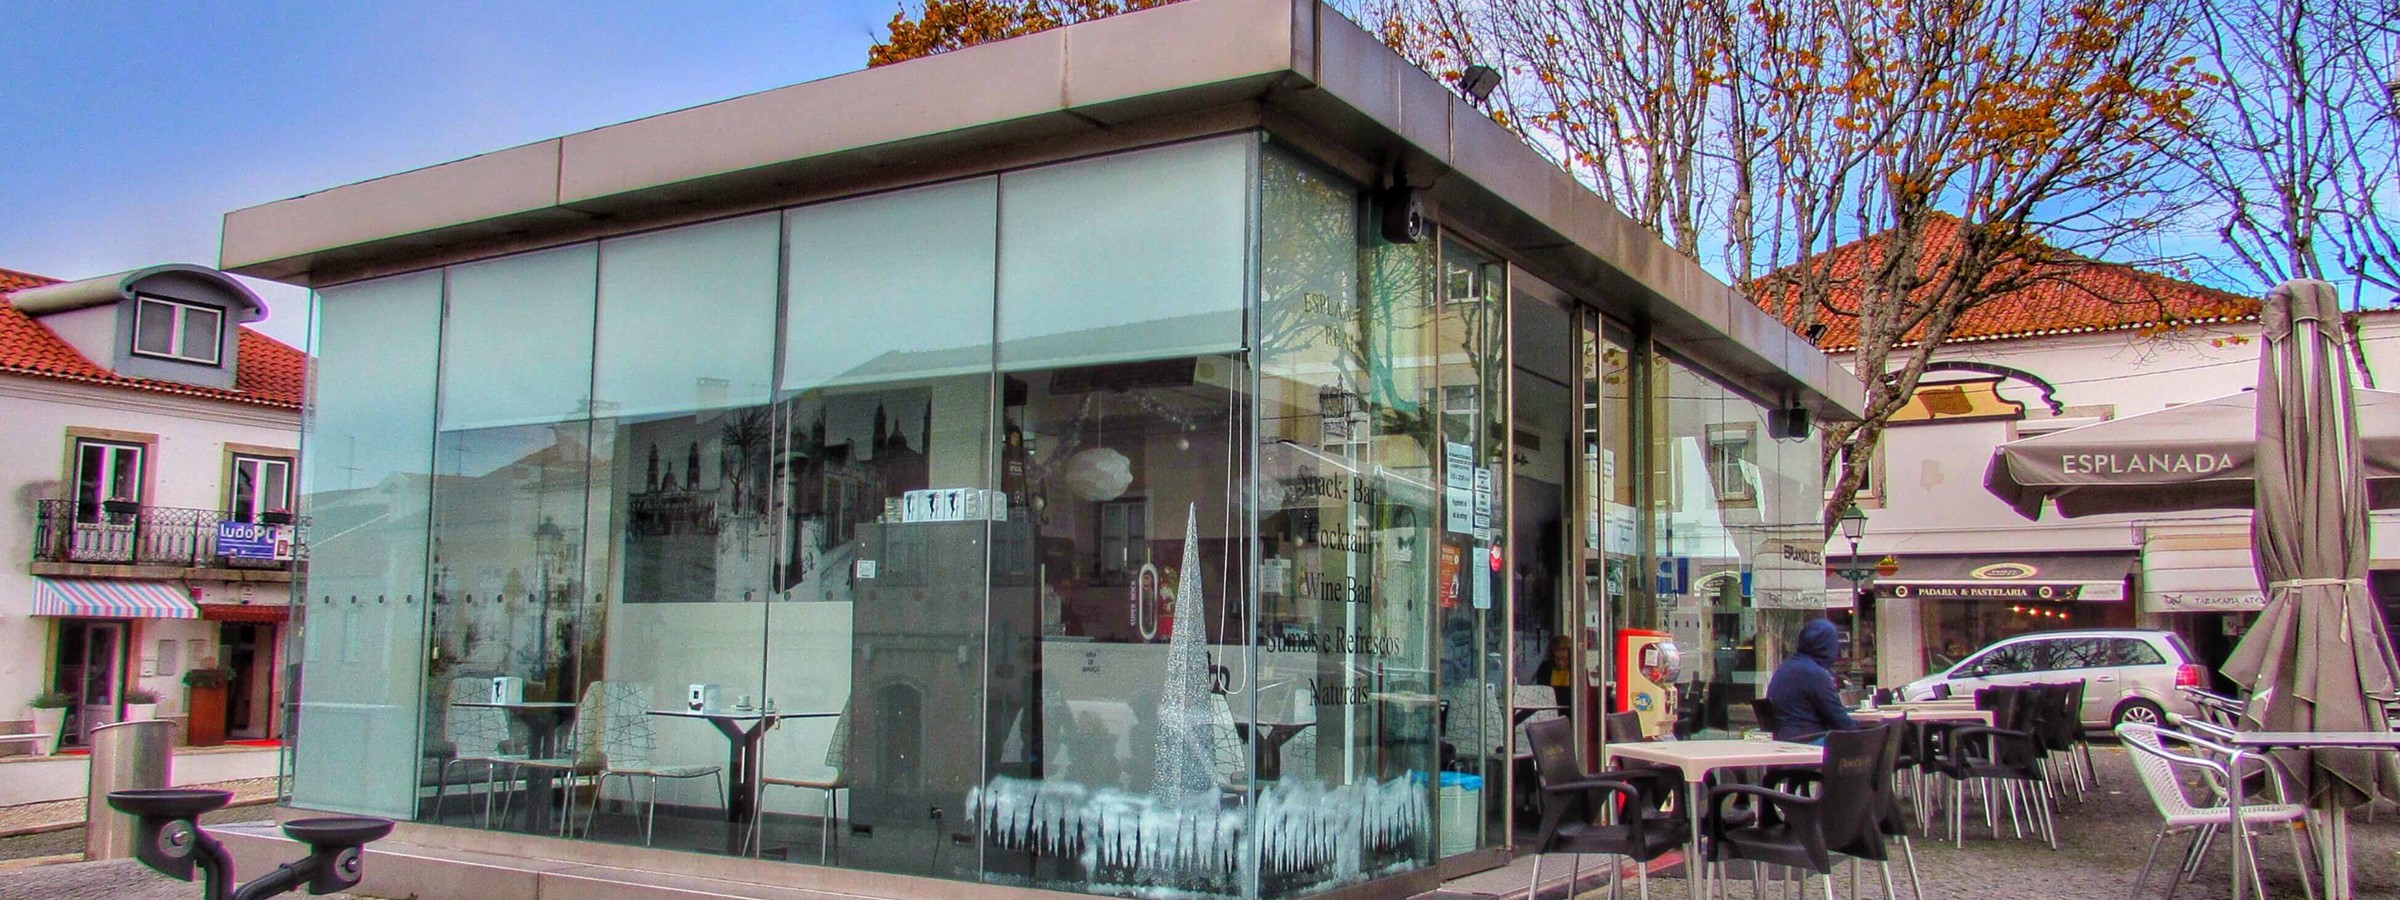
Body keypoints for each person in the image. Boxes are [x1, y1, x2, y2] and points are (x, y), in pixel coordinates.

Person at [1765, 618, 1856, 744]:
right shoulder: (1814, 673)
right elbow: (1840, 721)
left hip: (1785, 738)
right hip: (1807, 740)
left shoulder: (1788, 666)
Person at [1531, 636, 1574, 707]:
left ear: (1571, 656)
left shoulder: (1577, 670)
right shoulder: (1545, 668)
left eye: (1564, 659)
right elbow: (1541, 692)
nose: (1560, 662)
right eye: (1557, 659)